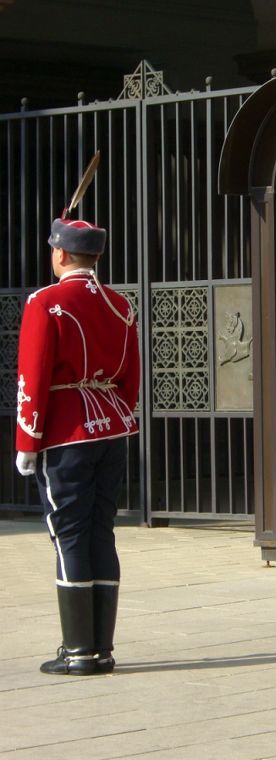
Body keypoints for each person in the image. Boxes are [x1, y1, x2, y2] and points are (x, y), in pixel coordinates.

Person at [15, 217, 140, 676]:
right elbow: (131, 378)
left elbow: (35, 373)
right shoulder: (120, 304)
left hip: (66, 431)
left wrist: (28, 438)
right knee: (100, 530)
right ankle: (101, 648)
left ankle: (79, 651)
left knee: (68, 533)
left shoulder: (45, 303)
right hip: (113, 428)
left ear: (60, 254)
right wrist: (116, 416)